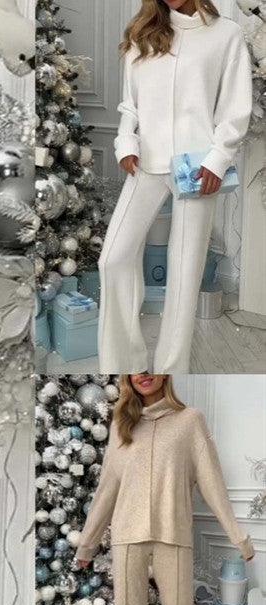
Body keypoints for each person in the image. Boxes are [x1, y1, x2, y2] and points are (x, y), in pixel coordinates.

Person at [74, 374, 254, 605]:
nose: (143, 373)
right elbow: (108, 485)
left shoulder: (190, 421)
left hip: (174, 533)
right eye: (134, 368)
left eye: (151, 367)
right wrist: (87, 544)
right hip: (127, 537)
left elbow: (212, 482)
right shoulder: (122, 423)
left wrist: (238, 535)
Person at [97, 0, 252, 373]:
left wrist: (217, 159)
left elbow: (234, 108)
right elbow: (130, 104)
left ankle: (170, 370)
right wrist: (125, 144)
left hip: (197, 169)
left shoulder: (225, 34)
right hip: (146, 164)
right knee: (113, 258)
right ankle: (122, 366)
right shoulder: (141, 33)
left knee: (184, 277)